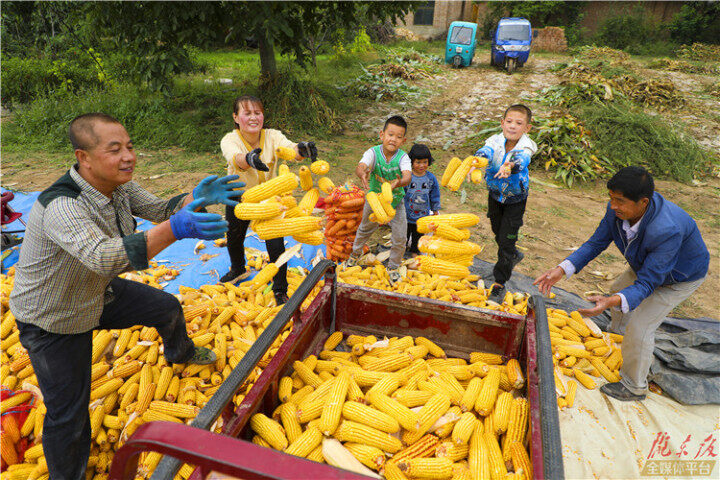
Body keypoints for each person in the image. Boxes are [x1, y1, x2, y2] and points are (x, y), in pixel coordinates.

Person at [8, 113, 244, 480]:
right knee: (68, 414)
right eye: (114, 149)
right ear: (83, 157)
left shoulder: (118, 186)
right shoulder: (62, 205)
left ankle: (179, 352)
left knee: (167, 307)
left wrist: (193, 199)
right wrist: (174, 229)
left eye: (130, 147)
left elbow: (161, 210)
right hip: (54, 316)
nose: (128, 156)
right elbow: (103, 257)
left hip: (95, 290)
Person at [534, 166, 709, 401]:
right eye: (611, 198)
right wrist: (562, 269)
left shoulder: (667, 229)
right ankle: (617, 339)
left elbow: (649, 283)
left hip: (678, 277)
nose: (612, 205)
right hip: (647, 264)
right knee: (617, 292)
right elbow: (596, 243)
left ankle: (634, 385)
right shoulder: (618, 210)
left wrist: (611, 302)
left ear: (643, 202)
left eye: (619, 201)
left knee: (641, 326)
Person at [219, 95, 317, 304]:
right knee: (234, 236)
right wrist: (248, 159)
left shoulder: (272, 136)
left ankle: (280, 288)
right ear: (236, 117)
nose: (254, 117)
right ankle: (238, 269)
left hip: (269, 198)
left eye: (258, 112)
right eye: (247, 113)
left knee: (275, 241)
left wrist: (302, 150)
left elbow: (291, 150)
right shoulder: (230, 139)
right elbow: (234, 157)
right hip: (238, 195)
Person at [475, 104, 537, 304]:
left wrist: (511, 166)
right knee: (497, 230)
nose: (512, 126)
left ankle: (500, 282)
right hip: (495, 195)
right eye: (509, 122)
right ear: (502, 123)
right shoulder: (494, 140)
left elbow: (523, 159)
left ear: (527, 128)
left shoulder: (527, 145)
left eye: (519, 123)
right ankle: (513, 254)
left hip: (515, 200)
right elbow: (486, 150)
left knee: (506, 240)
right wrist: (478, 159)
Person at [346, 115, 412, 284]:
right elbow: (361, 166)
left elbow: (407, 176)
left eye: (398, 137)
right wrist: (362, 173)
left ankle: (393, 266)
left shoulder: (403, 157)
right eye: (390, 135)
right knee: (365, 229)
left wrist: (398, 182)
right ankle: (355, 253)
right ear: (382, 134)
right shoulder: (373, 153)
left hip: (395, 202)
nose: (393, 139)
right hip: (374, 200)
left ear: (403, 140)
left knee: (400, 237)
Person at [404, 144, 441, 256]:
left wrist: (435, 211)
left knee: (418, 236)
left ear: (429, 162)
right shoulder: (407, 176)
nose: (422, 165)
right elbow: (400, 193)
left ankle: (415, 250)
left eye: (425, 162)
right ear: (411, 162)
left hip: (422, 216)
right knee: (403, 235)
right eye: (418, 162)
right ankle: (402, 249)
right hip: (406, 215)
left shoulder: (430, 178)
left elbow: (435, 195)